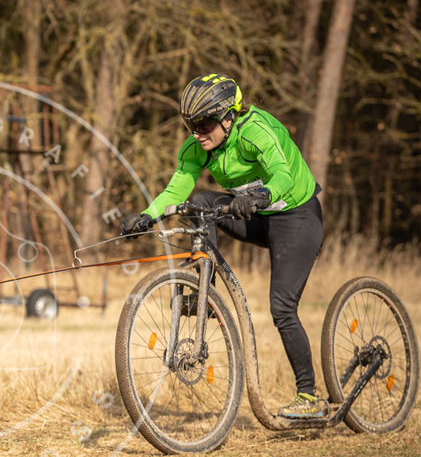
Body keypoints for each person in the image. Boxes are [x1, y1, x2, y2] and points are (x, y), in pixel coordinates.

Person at [118, 73, 326, 419]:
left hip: (296, 216)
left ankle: (309, 396)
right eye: (190, 125)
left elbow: (283, 174)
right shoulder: (197, 148)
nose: (196, 133)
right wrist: (146, 216)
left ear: (228, 117)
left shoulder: (256, 131)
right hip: (254, 214)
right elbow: (176, 189)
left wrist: (262, 195)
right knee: (200, 202)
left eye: (203, 124)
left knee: (282, 308)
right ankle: (205, 290)